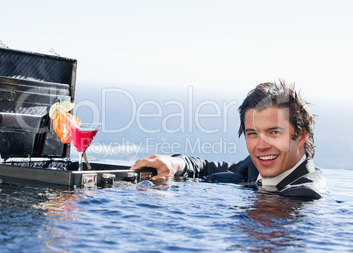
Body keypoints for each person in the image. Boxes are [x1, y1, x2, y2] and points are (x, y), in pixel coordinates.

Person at [131, 80, 326, 199]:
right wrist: (175, 163)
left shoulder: (305, 193)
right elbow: (209, 168)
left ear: (300, 136)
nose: (261, 146)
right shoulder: (254, 167)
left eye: (274, 133)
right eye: (253, 133)